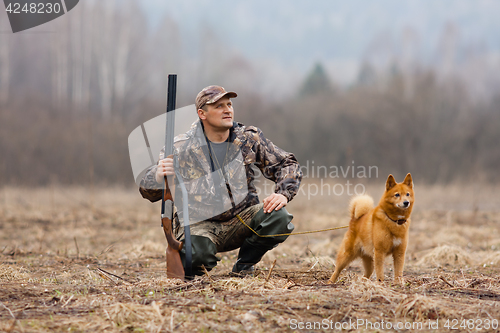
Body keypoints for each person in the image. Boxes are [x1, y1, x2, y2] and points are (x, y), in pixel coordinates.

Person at [139, 85, 302, 276]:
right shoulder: (181, 147)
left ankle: (245, 265)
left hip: (242, 219)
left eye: (229, 104)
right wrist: (158, 176)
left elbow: (287, 164)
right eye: (218, 106)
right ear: (202, 114)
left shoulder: (248, 138)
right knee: (196, 256)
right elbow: (146, 189)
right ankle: (197, 268)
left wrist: (283, 193)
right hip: (199, 224)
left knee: (279, 217)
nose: (227, 110)